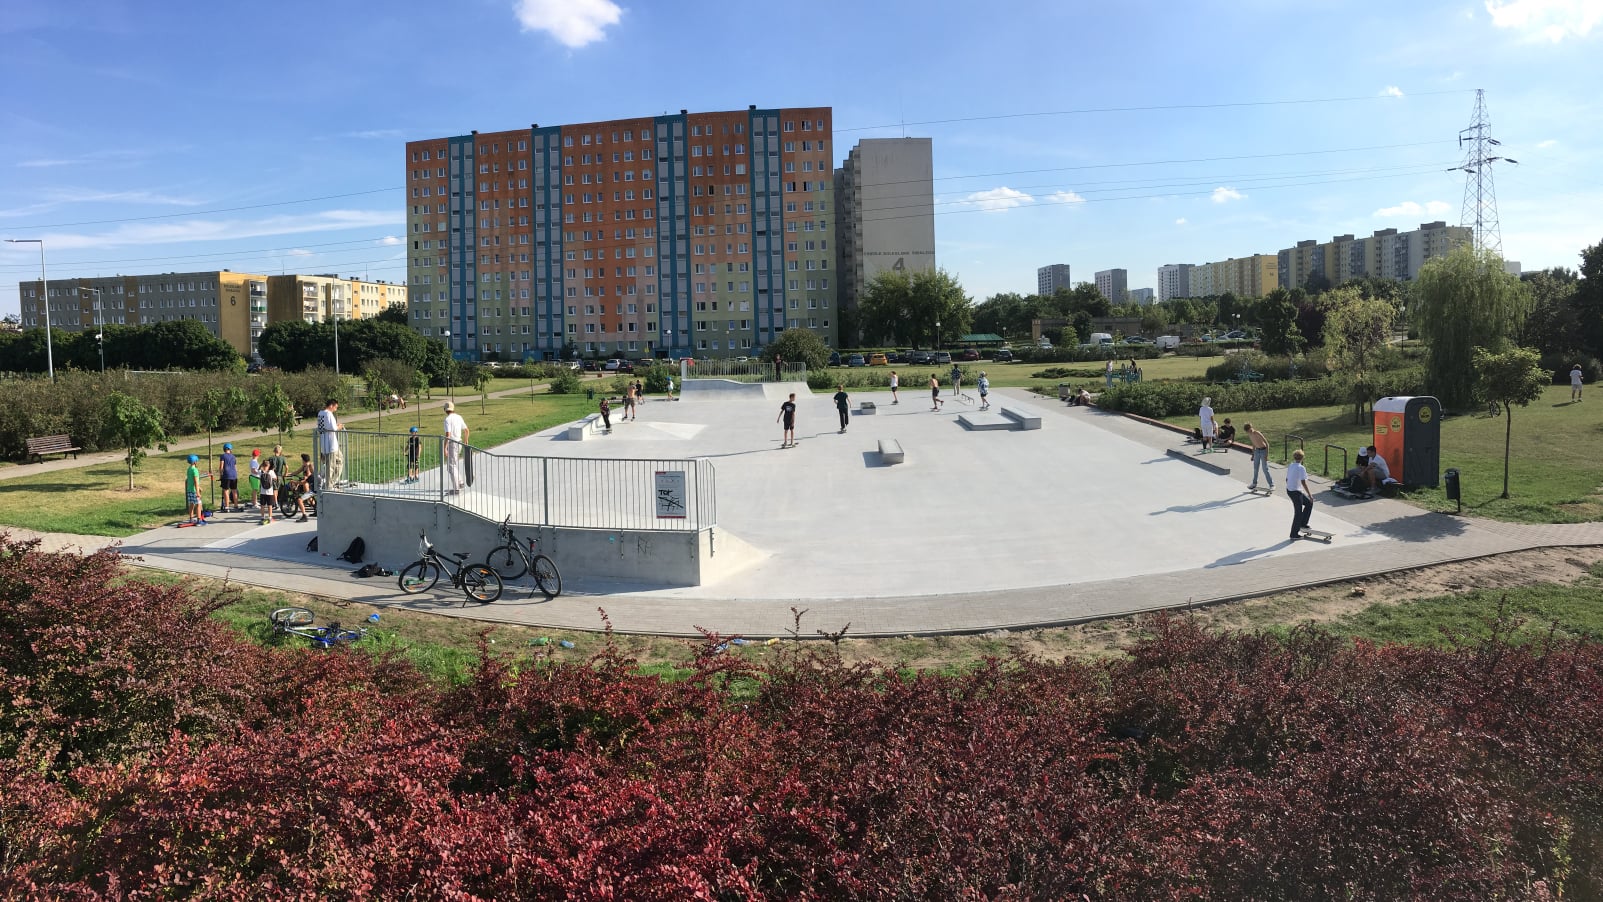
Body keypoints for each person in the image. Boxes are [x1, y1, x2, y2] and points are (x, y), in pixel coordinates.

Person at [1286, 448, 1314, 540]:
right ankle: (1294, 534)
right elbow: (1303, 482)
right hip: (1295, 492)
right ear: (1302, 458)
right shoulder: (1301, 468)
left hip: (1290, 490)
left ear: (1294, 457)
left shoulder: (1291, 465)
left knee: (1309, 503)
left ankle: (1303, 524)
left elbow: (1287, 479)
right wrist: (1310, 495)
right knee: (1298, 512)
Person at [316, 399, 343, 488]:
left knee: (339, 460)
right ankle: (328, 486)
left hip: (326, 443)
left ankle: (331, 482)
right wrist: (339, 427)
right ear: (331, 405)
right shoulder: (329, 414)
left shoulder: (320, 413)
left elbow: (323, 427)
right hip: (330, 445)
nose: (335, 409)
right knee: (330, 466)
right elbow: (334, 428)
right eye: (335, 407)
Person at [443, 401, 469, 494]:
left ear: (445, 410)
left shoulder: (447, 420)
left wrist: (445, 448)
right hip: (459, 442)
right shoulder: (459, 417)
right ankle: (460, 482)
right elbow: (466, 430)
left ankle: (456, 488)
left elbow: (448, 434)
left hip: (452, 444)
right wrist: (466, 441)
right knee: (453, 465)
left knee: (451, 466)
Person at [1245, 422, 1274, 491]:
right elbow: (1254, 444)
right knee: (1255, 469)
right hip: (1257, 451)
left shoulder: (1257, 433)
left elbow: (1267, 443)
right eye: (1248, 431)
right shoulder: (1250, 435)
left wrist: (1266, 455)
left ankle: (1272, 485)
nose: (1250, 432)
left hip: (1263, 451)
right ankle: (1254, 483)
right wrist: (1253, 455)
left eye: (1250, 430)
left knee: (1265, 469)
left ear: (1251, 428)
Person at [290, 453, 316, 521]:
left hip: (310, 486)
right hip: (312, 485)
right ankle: (315, 509)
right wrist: (290, 474)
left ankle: (304, 516)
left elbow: (304, 482)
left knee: (301, 499)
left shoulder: (311, 469)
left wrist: (294, 482)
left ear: (304, 460)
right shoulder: (305, 466)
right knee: (308, 496)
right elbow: (297, 472)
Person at [183, 454, 207, 526]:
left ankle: (191, 518)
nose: (197, 462)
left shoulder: (189, 469)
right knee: (199, 504)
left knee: (192, 504)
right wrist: (198, 492)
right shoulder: (195, 470)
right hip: (194, 491)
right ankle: (199, 520)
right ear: (194, 462)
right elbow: (196, 482)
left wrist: (199, 487)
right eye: (196, 461)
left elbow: (190, 480)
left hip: (189, 489)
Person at [218, 442, 240, 512]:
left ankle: (227, 507)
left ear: (224, 449)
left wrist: (220, 475)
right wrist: (236, 475)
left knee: (226, 491)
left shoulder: (223, 456)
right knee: (234, 490)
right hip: (234, 475)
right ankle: (236, 505)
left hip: (226, 475)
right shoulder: (233, 456)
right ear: (230, 449)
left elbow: (221, 467)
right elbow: (235, 467)